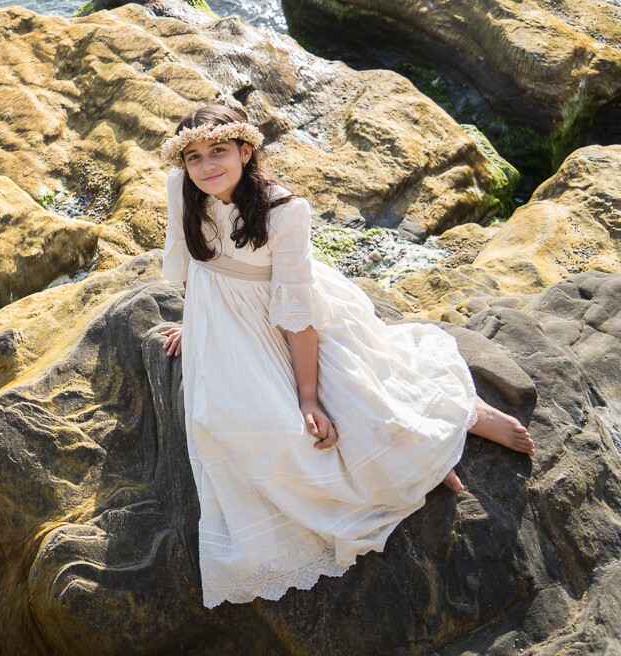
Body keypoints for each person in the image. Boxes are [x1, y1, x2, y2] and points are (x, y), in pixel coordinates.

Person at [158, 103, 534, 607]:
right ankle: (417, 464)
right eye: (194, 157)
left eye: (219, 151)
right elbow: (192, 264)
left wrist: (308, 396)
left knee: (350, 404)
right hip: (223, 319)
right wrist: (196, 322)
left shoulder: (283, 210)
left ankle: (452, 427)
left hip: (289, 311)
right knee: (234, 424)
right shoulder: (182, 188)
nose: (206, 166)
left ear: (246, 152)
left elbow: (297, 314)